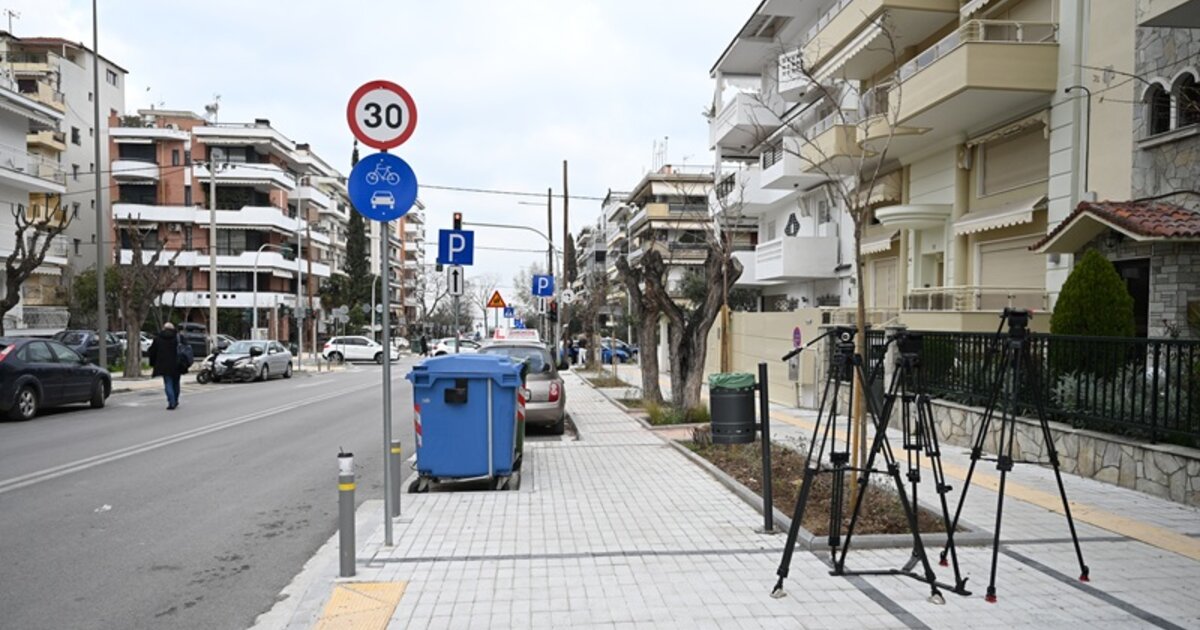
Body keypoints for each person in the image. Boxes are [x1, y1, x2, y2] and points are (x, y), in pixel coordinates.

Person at [148, 322, 183, 410]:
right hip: (177, 364)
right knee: (176, 383)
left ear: (163, 328)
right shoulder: (178, 338)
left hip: (164, 364)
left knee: (168, 383)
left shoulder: (158, 338)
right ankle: (175, 399)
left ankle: (171, 402)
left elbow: (152, 352)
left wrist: (153, 363)